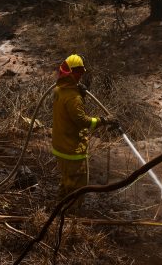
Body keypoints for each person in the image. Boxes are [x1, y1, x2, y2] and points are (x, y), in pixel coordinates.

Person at [51, 54, 118, 211]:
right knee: (78, 187)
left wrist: (79, 92)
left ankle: (57, 210)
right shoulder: (73, 98)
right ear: (73, 73)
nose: (81, 76)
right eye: (79, 73)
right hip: (72, 149)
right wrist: (104, 120)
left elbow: (69, 112)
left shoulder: (59, 90)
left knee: (67, 181)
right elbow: (82, 121)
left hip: (60, 146)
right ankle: (70, 216)